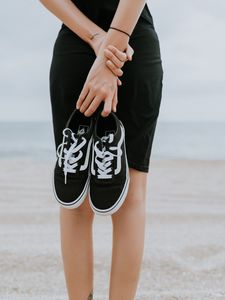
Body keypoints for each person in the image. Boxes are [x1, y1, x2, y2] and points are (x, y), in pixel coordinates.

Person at [39, 0, 163, 299]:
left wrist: (105, 47)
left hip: (91, 38)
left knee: (79, 195)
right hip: (123, 40)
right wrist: (106, 44)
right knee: (90, 194)